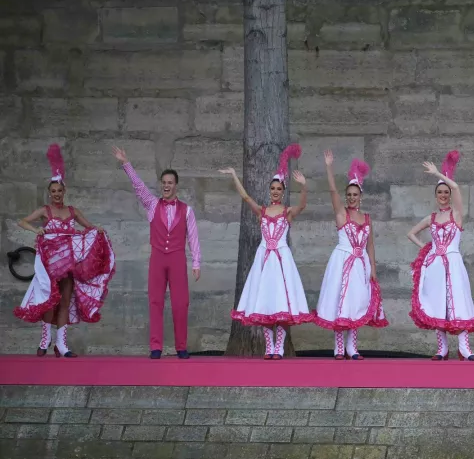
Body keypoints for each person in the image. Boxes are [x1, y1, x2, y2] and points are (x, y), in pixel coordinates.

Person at [15, 144, 116, 357]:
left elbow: (89, 227)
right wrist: (37, 230)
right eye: (53, 191)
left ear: (64, 191)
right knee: (50, 300)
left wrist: (97, 229)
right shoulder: (45, 210)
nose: (56, 194)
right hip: (50, 264)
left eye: (59, 191)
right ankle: (45, 339)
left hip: (68, 264)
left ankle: (61, 344)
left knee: (65, 301)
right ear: (49, 193)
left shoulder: (72, 211)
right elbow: (22, 221)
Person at [223, 144, 316, 360]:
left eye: (279, 189)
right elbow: (246, 198)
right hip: (264, 259)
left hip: (282, 260)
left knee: (282, 302)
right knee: (264, 302)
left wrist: (304, 186)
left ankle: (280, 346)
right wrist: (234, 175)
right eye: (272, 189)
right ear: (269, 190)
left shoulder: (287, 212)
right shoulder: (262, 211)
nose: (275, 192)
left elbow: (302, 206)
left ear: (283, 192)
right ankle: (269, 345)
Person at [113, 146, 201, 360]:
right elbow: (138, 186)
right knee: (155, 301)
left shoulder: (187, 210)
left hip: (178, 258)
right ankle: (156, 347)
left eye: (170, 183)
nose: (166, 186)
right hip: (158, 257)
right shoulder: (152, 204)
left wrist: (196, 262)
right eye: (163, 183)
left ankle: (181, 346)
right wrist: (126, 163)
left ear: (176, 185)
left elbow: (193, 237)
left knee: (181, 303)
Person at [407, 151, 474, 361]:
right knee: (438, 303)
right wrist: (427, 249)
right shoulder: (431, 217)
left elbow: (457, 187)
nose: (443, 195)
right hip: (436, 266)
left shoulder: (457, 215)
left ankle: (464, 348)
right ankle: (442, 348)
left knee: (458, 301)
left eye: (445, 192)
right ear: (435, 195)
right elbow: (410, 233)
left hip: (453, 262)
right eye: (439, 192)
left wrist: (438, 173)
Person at [314, 151, 388, 360]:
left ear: (361, 196)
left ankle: (352, 347)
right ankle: (338, 347)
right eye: (349, 195)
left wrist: (372, 268)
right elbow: (331, 191)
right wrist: (329, 167)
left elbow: (370, 245)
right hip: (343, 260)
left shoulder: (367, 218)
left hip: (360, 263)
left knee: (356, 302)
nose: (352, 198)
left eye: (355, 195)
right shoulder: (341, 213)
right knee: (341, 301)